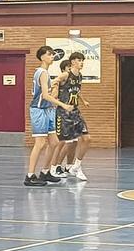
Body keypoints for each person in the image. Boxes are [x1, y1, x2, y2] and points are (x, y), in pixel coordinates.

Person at [25, 46, 62, 187]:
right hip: (39, 110)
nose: (52, 56)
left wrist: (55, 87)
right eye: (49, 54)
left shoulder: (45, 73)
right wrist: (63, 105)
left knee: (54, 142)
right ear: (42, 57)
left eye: (53, 54)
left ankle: (45, 171)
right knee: (40, 143)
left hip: (47, 109)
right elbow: (45, 96)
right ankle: (30, 176)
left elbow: (47, 94)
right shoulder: (42, 72)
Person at [55, 52, 91, 181]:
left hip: (75, 111)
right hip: (64, 113)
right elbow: (54, 81)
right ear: (73, 62)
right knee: (66, 142)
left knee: (86, 139)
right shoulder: (66, 74)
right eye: (79, 60)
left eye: (82, 60)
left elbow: (77, 91)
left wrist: (83, 100)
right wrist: (53, 93)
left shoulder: (79, 76)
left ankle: (75, 166)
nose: (81, 63)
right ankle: (56, 167)